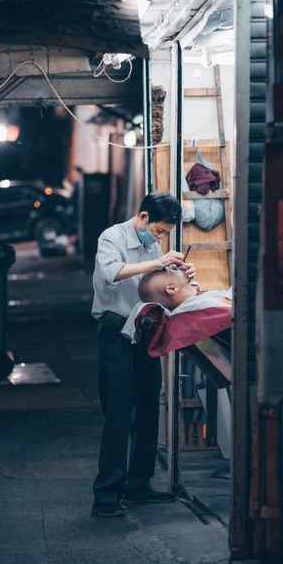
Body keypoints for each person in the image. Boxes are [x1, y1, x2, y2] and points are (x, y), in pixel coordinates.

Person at [91, 191, 195, 518]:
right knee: (119, 416)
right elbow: (112, 272)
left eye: (165, 234)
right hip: (115, 329)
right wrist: (159, 261)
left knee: (150, 407)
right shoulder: (112, 237)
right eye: (159, 231)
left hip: (145, 328)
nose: (160, 237)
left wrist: (181, 277)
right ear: (144, 217)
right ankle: (106, 497)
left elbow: (156, 284)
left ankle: (139, 484)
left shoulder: (152, 244)